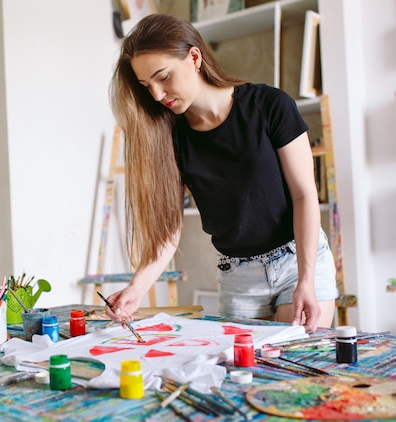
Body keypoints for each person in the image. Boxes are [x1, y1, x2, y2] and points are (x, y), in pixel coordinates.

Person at [105, 13, 338, 333]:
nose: (157, 95)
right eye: (147, 86)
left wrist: (307, 279)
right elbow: (170, 232)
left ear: (194, 57)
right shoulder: (171, 139)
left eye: (163, 77)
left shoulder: (271, 105)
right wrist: (137, 287)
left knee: (294, 364)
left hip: (296, 260)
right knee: (247, 377)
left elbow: (304, 195)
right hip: (238, 275)